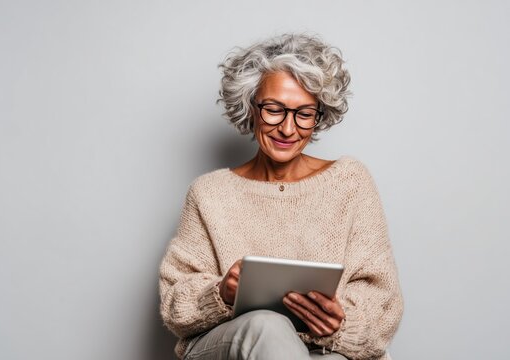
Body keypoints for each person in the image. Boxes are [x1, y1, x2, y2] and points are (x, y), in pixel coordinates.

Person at [158, 33, 403, 360]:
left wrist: (339, 324)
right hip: (232, 347)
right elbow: (175, 303)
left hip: (325, 351)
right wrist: (221, 292)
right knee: (267, 326)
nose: (288, 129)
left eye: (303, 114)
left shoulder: (350, 182)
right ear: (251, 107)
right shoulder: (209, 193)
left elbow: (382, 301)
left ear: (319, 115)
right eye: (274, 109)